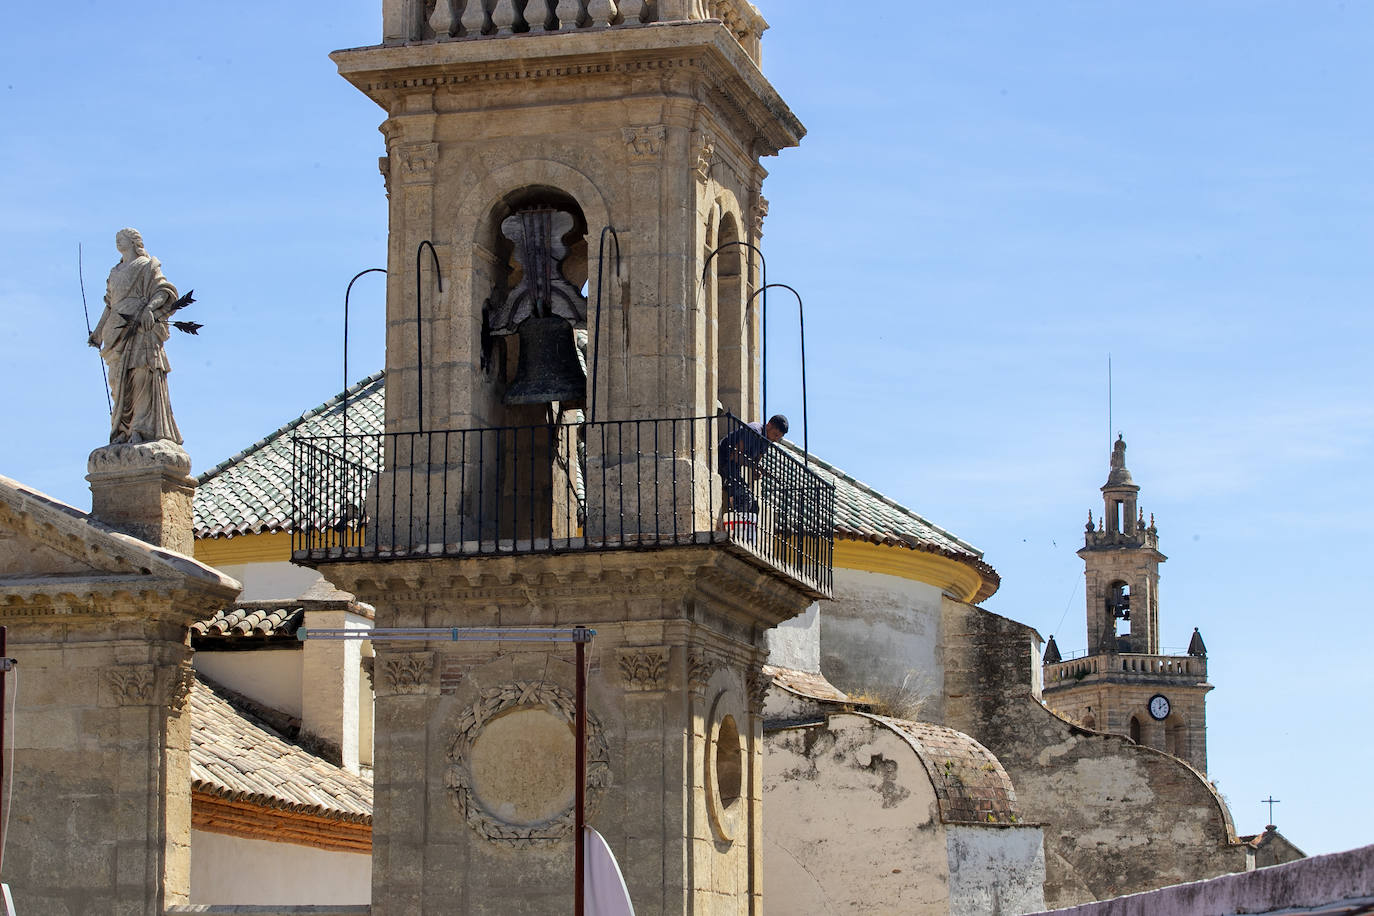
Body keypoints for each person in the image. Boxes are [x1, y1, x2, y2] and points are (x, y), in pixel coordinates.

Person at [89, 228, 183, 445]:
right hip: (115, 331)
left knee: (141, 375)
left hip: (140, 328)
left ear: (133, 241)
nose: (117, 241)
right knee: (116, 380)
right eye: (116, 238)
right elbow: (110, 305)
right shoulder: (114, 272)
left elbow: (164, 291)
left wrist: (150, 308)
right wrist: (98, 331)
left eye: (121, 237)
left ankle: (140, 428)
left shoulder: (147, 266)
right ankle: (122, 429)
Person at [718, 414, 788, 512]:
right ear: (769, 425)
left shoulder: (766, 441)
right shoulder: (754, 431)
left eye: (778, 438)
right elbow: (735, 455)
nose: (775, 440)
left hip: (734, 468)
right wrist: (757, 467)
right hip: (724, 460)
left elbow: (756, 461)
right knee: (745, 499)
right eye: (775, 435)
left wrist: (757, 471)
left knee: (753, 506)